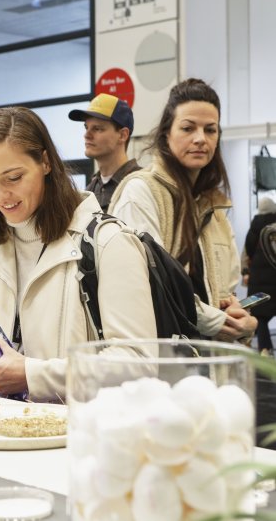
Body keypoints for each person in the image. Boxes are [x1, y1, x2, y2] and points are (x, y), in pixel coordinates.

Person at [0, 106, 157, 403]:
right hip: (0, 436)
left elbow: (139, 365)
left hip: (77, 439)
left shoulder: (109, 243)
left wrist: (33, 375)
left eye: (13, 178)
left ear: (46, 163)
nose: (0, 195)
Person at [109, 78, 257, 342]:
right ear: (167, 134)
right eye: (188, 128)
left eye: (210, 130)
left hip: (210, 363)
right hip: (163, 362)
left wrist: (239, 316)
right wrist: (217, 321)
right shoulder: (141, 193)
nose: (200, 139)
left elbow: (225, 289)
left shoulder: (214, 206)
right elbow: (150, 283)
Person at [68, 93, 141, 211]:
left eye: (97, 129)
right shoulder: (89, 191)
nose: (87, 135)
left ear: (123, 135)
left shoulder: (141, 185)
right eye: (86, 127)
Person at [244, 197, 276, 354]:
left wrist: (246, 271)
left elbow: (248, 250)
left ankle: (265, 349)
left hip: (259, 277)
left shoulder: (255, 226)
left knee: (260, 316)